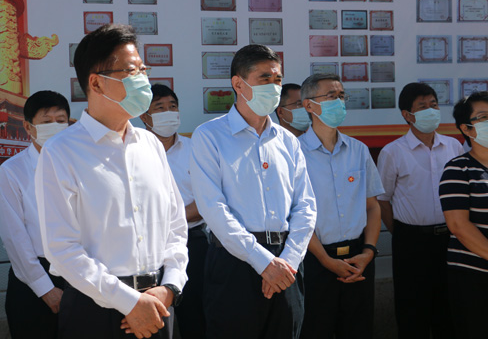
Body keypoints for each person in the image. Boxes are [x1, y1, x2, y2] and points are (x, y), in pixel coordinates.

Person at [35, 24, 188, 339]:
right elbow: (61, 248)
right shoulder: (61, 151)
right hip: (96, 309)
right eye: (131, 72)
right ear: (96, 82)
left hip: (159, 302)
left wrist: (171, 287)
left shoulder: (150, 144)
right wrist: (129, 302)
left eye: (142, 70)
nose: (142, 80)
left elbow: (175, 227)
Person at [190, 44, 317, 339]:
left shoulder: (287, 140)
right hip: (235, 263)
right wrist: (263, 262)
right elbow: (213, 207)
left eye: (277, 79)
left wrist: (288, 261)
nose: (274, 87)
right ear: (238, 84)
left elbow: (305, 206)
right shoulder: (209, 136)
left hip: (287, 262)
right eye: (264, 79)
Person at [298, 73, 383, 339]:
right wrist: (326, 260)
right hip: (315, 259)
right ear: (309, 105)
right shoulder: (294, 152)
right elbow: (294, 216)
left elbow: (372, 207)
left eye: (342, 96)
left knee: (359, 330)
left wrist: (368, 252)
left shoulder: (358, 150)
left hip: (359, 258)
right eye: (331, 96)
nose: (340, 102)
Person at [377, 83, 461, 339]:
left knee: (449, 308)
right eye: (422, 106)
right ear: (407, 115)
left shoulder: (454, 146)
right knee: (412, 310)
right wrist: (400, 232)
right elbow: (383, 200)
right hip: (411, 241)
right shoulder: (393, 152)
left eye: (433, 104)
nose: (430, 110)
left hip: (451, 238)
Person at [0, 90, 70, 338]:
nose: (55, 126)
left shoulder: (80, 165)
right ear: (28, 127)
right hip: (33, 278)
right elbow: (14, 236)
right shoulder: (13, 170)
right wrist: (44, 288)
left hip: (79, 274)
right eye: (47, 121)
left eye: (61, 121)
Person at [139, 84, 206, 339]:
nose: (168, 112)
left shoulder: (195, 148)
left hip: (193, 242)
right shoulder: (132, 150)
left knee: (194, 314)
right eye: (160, 108)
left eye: (172, 107)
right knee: (154, 317)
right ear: (144, 116)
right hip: (148, 248)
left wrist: (168, 222)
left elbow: (206, 200)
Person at [440, 91, 488, 339]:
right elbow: (458, 225)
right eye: (484, 117)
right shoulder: (457, 169)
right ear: (467, 129)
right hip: (474, 279)